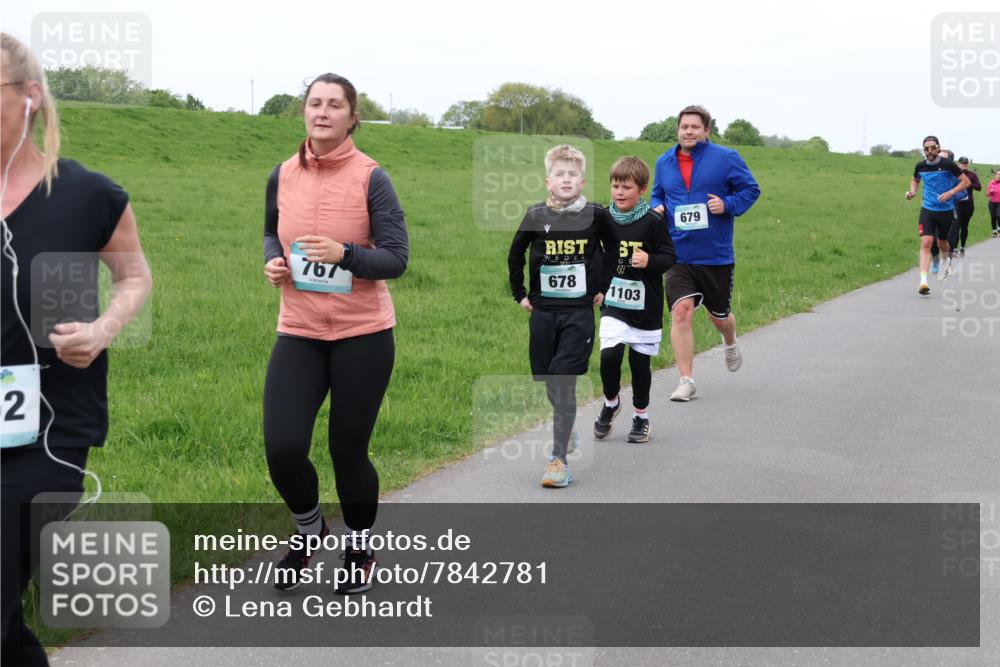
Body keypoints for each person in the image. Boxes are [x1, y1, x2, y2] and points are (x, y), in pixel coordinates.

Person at [1, 33, 152, 666]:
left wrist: (103, 329)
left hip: (49, 429)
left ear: (30, 97)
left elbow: (134, 276)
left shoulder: (87, 195)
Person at [262, 73, 408, 594]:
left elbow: (396, 259)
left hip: (362, 334)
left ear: (352, 117)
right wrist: (273, 262)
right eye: (314, 103)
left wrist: (345, 254)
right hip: (298, 330)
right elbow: (268, 233)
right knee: (281, 446)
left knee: (347, 450)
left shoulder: (372, 177)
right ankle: (309, 530)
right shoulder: (281, 174)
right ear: (303, 111)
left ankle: (360, 546)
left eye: (334, 105)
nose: (321, 112)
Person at [508, 144, 614, 487]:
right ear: (547, 181)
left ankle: (558, 461)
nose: (565, 179)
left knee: (563, 378)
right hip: (543, 311)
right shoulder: (536, 215)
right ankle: (565, 432)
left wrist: (603, 285)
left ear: (581, 181)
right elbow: (516, 252)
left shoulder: (596, 215)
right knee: (546, 378)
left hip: (579, 313)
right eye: (559, 174)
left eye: (572, 175)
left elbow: (613, 248)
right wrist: (520, 292)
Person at [650, 105, 761, 402]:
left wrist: (726, 205)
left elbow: (751, 190)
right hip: (677, 252)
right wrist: (656, 207)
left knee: (719, 317)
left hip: (715, 254)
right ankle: (686, 380)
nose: (688, 132)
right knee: (681, 311)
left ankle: (729, 339)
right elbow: (657, 193)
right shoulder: (664, 162)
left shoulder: (726, 159)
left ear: (706, 130)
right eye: (684, 127)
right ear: (678, 130)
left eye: (694, 127)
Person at [594, 157, 675, 443]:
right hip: (613, 300)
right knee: (610, 355)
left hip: (646, 305)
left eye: (626, 186)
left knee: (640, 366)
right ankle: (611, 402)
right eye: (615, 185)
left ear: (641, 189)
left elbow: (669, 256)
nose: (619, 191)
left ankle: (641, 416)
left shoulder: (653, 221)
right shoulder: (603, 218)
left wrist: (650, 259)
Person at [905, 137, 970, 295]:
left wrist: (950, 193)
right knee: (926, 242)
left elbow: (966, 182)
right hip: (927, 209)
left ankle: (946, 264)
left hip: (946, 211)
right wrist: (913, 191)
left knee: (942, 243)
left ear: (938, 148)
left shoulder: (947, 164)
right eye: (926, 148)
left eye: (932, 148)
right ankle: (923, 282)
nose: (929, 151)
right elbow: (915, 179)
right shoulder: (920, 165)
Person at [950, 157, 981, 257]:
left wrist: (968, 183)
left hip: (968, 204)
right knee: (956, 225)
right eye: (962, 163)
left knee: (964, 227)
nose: (964, 165)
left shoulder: (972, 174)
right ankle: (954, 249)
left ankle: (962, 247)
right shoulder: (955, 174)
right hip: (957, 204)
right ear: (958, 164)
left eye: (966, 163)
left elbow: (979, 187)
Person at [988, 168, 1000, 238]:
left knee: (998, 216)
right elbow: (987, 193)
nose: (999, 176)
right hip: (992, 203)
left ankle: (999, 229)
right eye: (998, 174)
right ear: (995, 175)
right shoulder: (991, 183)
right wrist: (990, 192)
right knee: (993, 217)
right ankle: (994, 231)